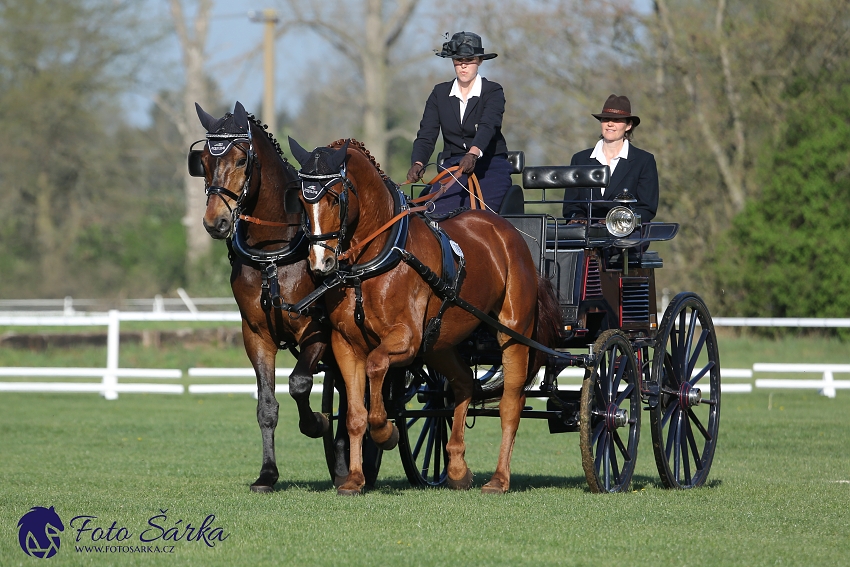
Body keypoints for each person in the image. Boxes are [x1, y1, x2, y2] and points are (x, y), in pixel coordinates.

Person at [407, 31, 513, 215]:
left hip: (489, 165)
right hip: (453, 166)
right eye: (458, 60)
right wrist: (418, 161)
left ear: (479, 61)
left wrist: (473, 154)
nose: (463, 65)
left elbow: (488, 126)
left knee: (478, 218)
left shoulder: (493, 91)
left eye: (469, 59)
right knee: (434, 215)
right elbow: (427, 134)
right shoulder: (439, 93)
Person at [562, 94, 658, 224]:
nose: (610, 124)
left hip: (626, 237)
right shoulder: (580, 159)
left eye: (617, 120)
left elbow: (646, 208)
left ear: (628, 125)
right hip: (585, 237)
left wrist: (615, 222)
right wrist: (578, 218)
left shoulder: (644, 161)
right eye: (606, 119)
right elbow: (570, 204)